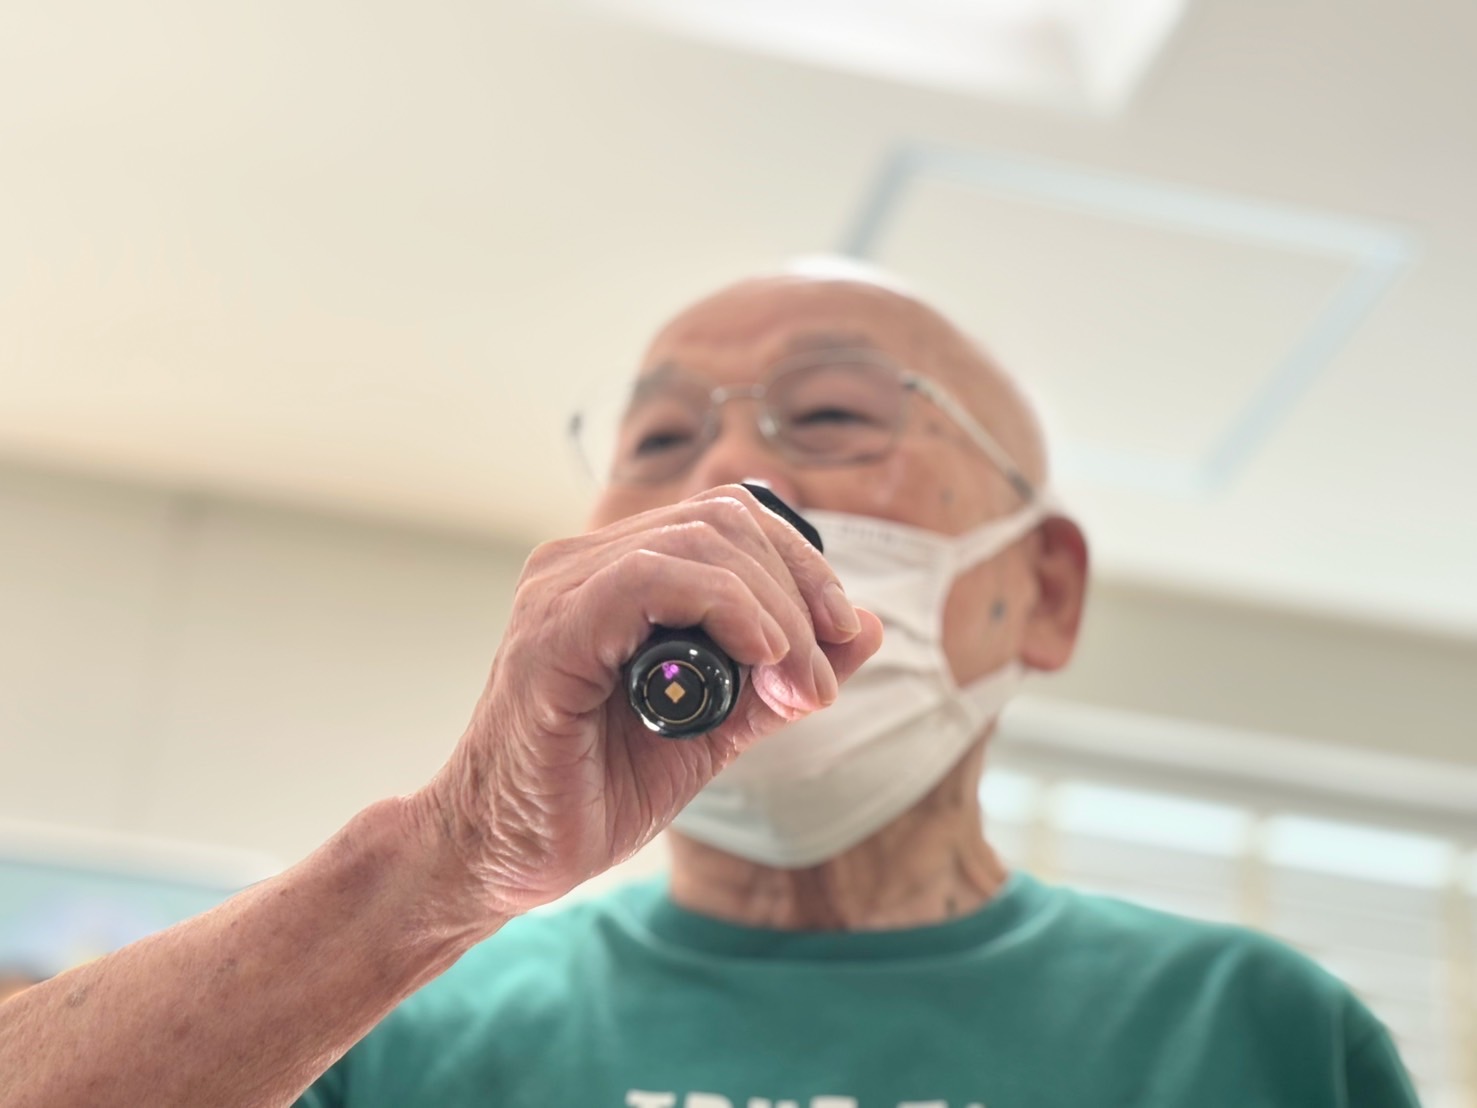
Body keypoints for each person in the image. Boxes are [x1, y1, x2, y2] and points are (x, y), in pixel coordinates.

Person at [0, 264, 1419, 1108]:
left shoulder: (1254, 1034)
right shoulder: (389, 1025)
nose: (729, 478)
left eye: (834, 416)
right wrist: (444, 861)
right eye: (660, 439)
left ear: (1040, 592)